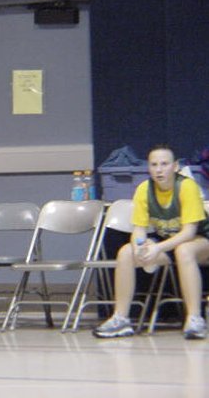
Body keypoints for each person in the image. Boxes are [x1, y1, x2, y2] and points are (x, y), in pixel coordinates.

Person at [93, 144, 209, 340]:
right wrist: (139, 246)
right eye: (154, 165)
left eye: (164, 164)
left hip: (200, 240)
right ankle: (120, 318)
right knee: (126, 253)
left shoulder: (186, 186)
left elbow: (189, 232)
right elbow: (139, 228)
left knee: (184, 250)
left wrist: (157, 248)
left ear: (175, 167)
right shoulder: (144, 189)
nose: (159, 169)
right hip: (168, 242)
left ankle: (195, 318)